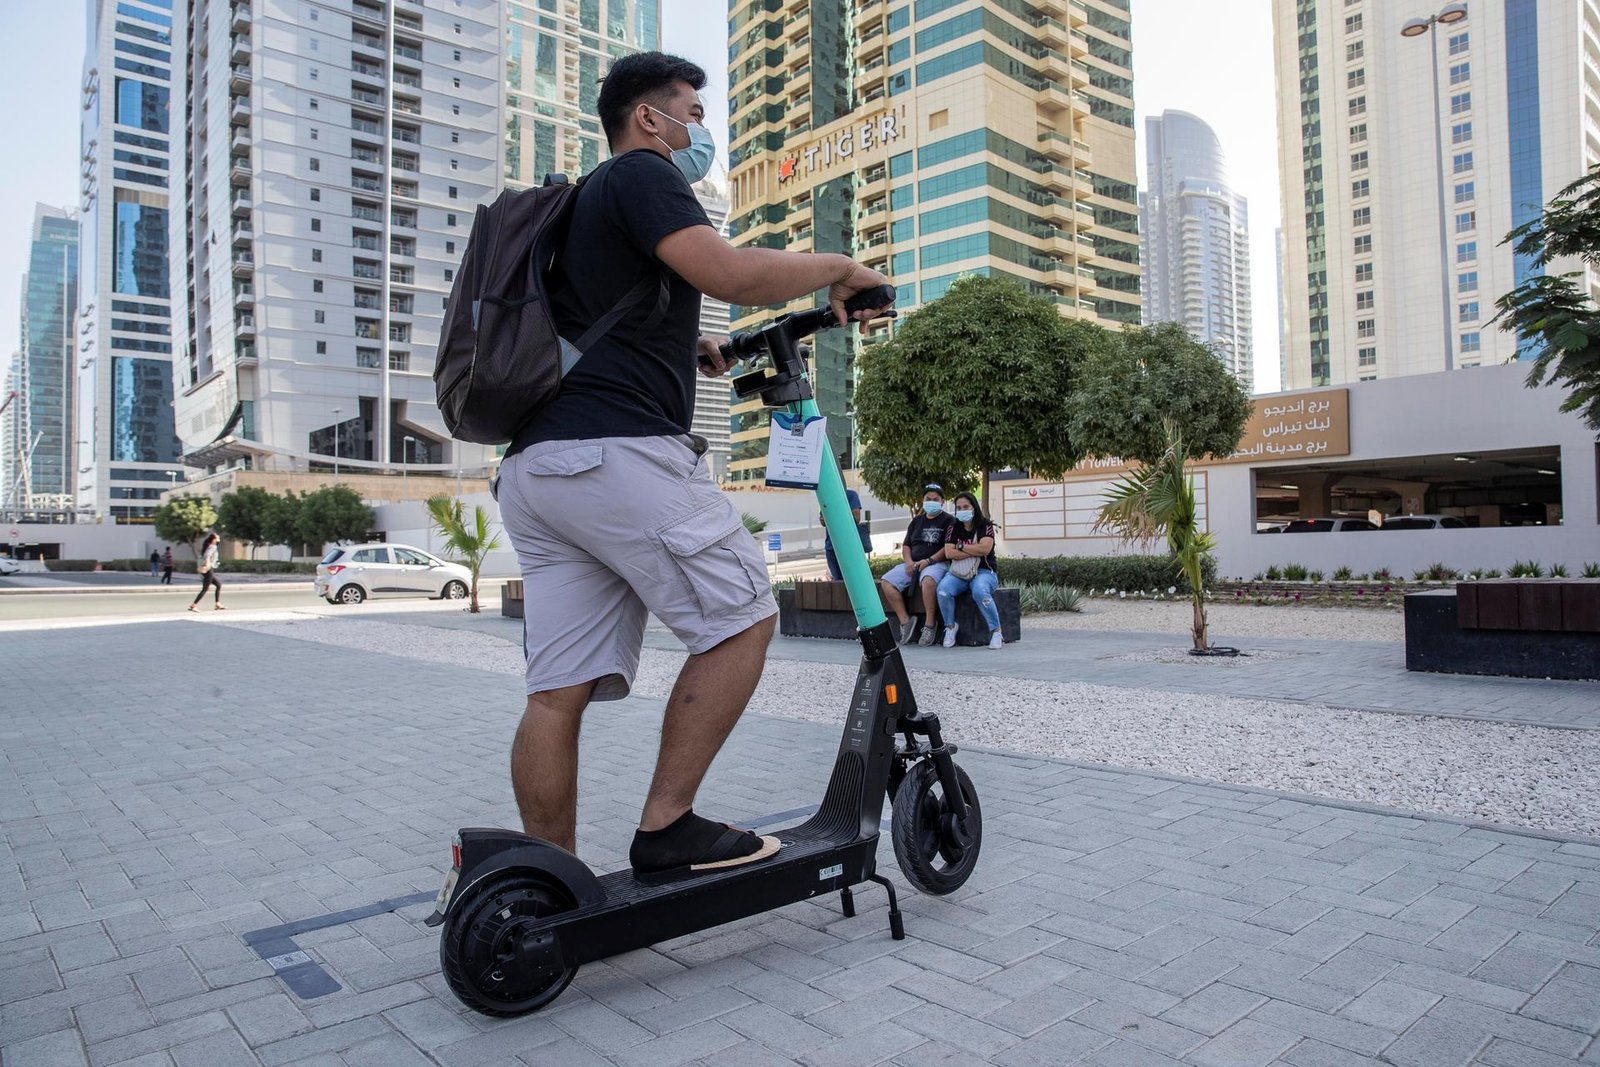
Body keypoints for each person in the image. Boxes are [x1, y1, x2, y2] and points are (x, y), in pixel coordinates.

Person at [493, 51, 893, 882]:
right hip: (617, 452)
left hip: (541, 468)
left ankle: (548, 878)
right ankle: (667, 825)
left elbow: (614, 308)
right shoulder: (644, 173)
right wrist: (838, 268)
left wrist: (694, 342)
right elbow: (732, 271)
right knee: (744, 615)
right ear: (649, 117)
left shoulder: (579, 208)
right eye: (693, 113)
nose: (700, 130)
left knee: (557, 687)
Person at [876, 485, 953, 645]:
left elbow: (948, 548)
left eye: (935, 499)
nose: (931, 502)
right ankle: (906, 621)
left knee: (928, 581)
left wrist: (928, 561)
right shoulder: (917, 521)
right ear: (923, 500)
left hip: (936, 563)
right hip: (913, 563)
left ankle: (930, 625)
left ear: (942, 501)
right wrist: (909, 562)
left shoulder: (949, 521)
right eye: (928, 499)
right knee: (887, 582)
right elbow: (906, 545)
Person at [936, 493, 1003, 650]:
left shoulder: (985, 526)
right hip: (959, 574)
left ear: (974, 507)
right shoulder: (953, 527)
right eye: (959, 508)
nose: (962, 510)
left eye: (966, 507)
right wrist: (974, 550)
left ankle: (996, 631)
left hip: (984, 572)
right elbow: (949, 553)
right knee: (943, 591)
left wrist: (960, 547)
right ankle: (950, 627)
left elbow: (986, 548)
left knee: (980, 590)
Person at [821, 458, 871, 581]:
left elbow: (856, 517)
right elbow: (822, 520)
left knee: (852, 578)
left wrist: (835, 513)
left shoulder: (851, 495)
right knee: (837, 580)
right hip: (831, 546)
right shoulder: (827, 496)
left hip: (848, 545)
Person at [188, 533, 225, 612]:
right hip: (208, 569)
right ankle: (193, 605)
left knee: (218, 585)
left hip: (209, 569)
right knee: (205, 589)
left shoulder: (209, 546)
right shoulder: (213, 546)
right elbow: (207, 555)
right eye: (218, 538)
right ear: (214, 539)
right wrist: (208, 564)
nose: (219, 540)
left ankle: (217, 604)